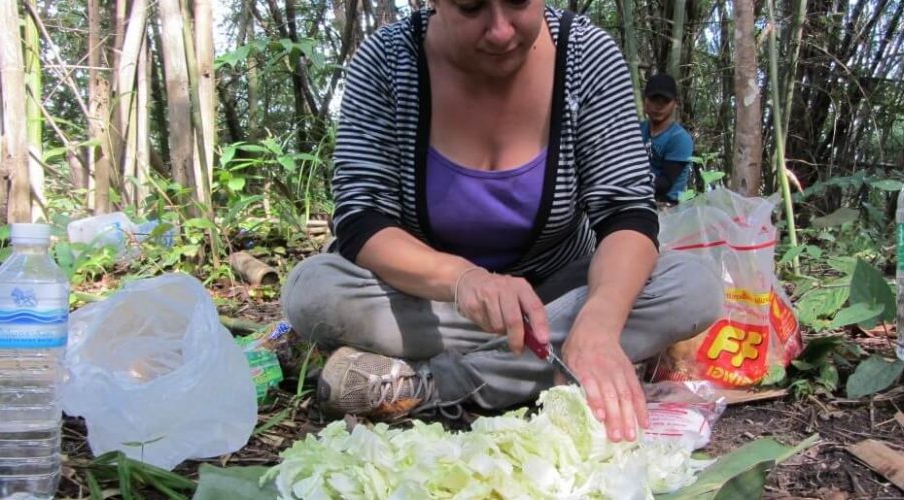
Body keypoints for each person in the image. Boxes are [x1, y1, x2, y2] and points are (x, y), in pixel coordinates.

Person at [281, 0, 722, 444]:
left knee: (691, 288)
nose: (499, 30)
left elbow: (628, 214)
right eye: (470, 8)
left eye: (517, 3)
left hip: (557, 296)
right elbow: (362, 218)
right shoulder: (386, 62)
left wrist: (601, 321)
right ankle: (544, 368)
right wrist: (464, 280)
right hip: (434, 298)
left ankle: (425, 385)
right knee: (314, 291)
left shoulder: (587, 56)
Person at [640, 74, 695, 205]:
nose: (659, 106)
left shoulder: (680, 139)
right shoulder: (637, 130)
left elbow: (665, 183)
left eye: (665, 101)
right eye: (654, 99)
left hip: (667, 206)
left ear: (675, 103)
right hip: (639, 199)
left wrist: (628, 187)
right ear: (645, 101)